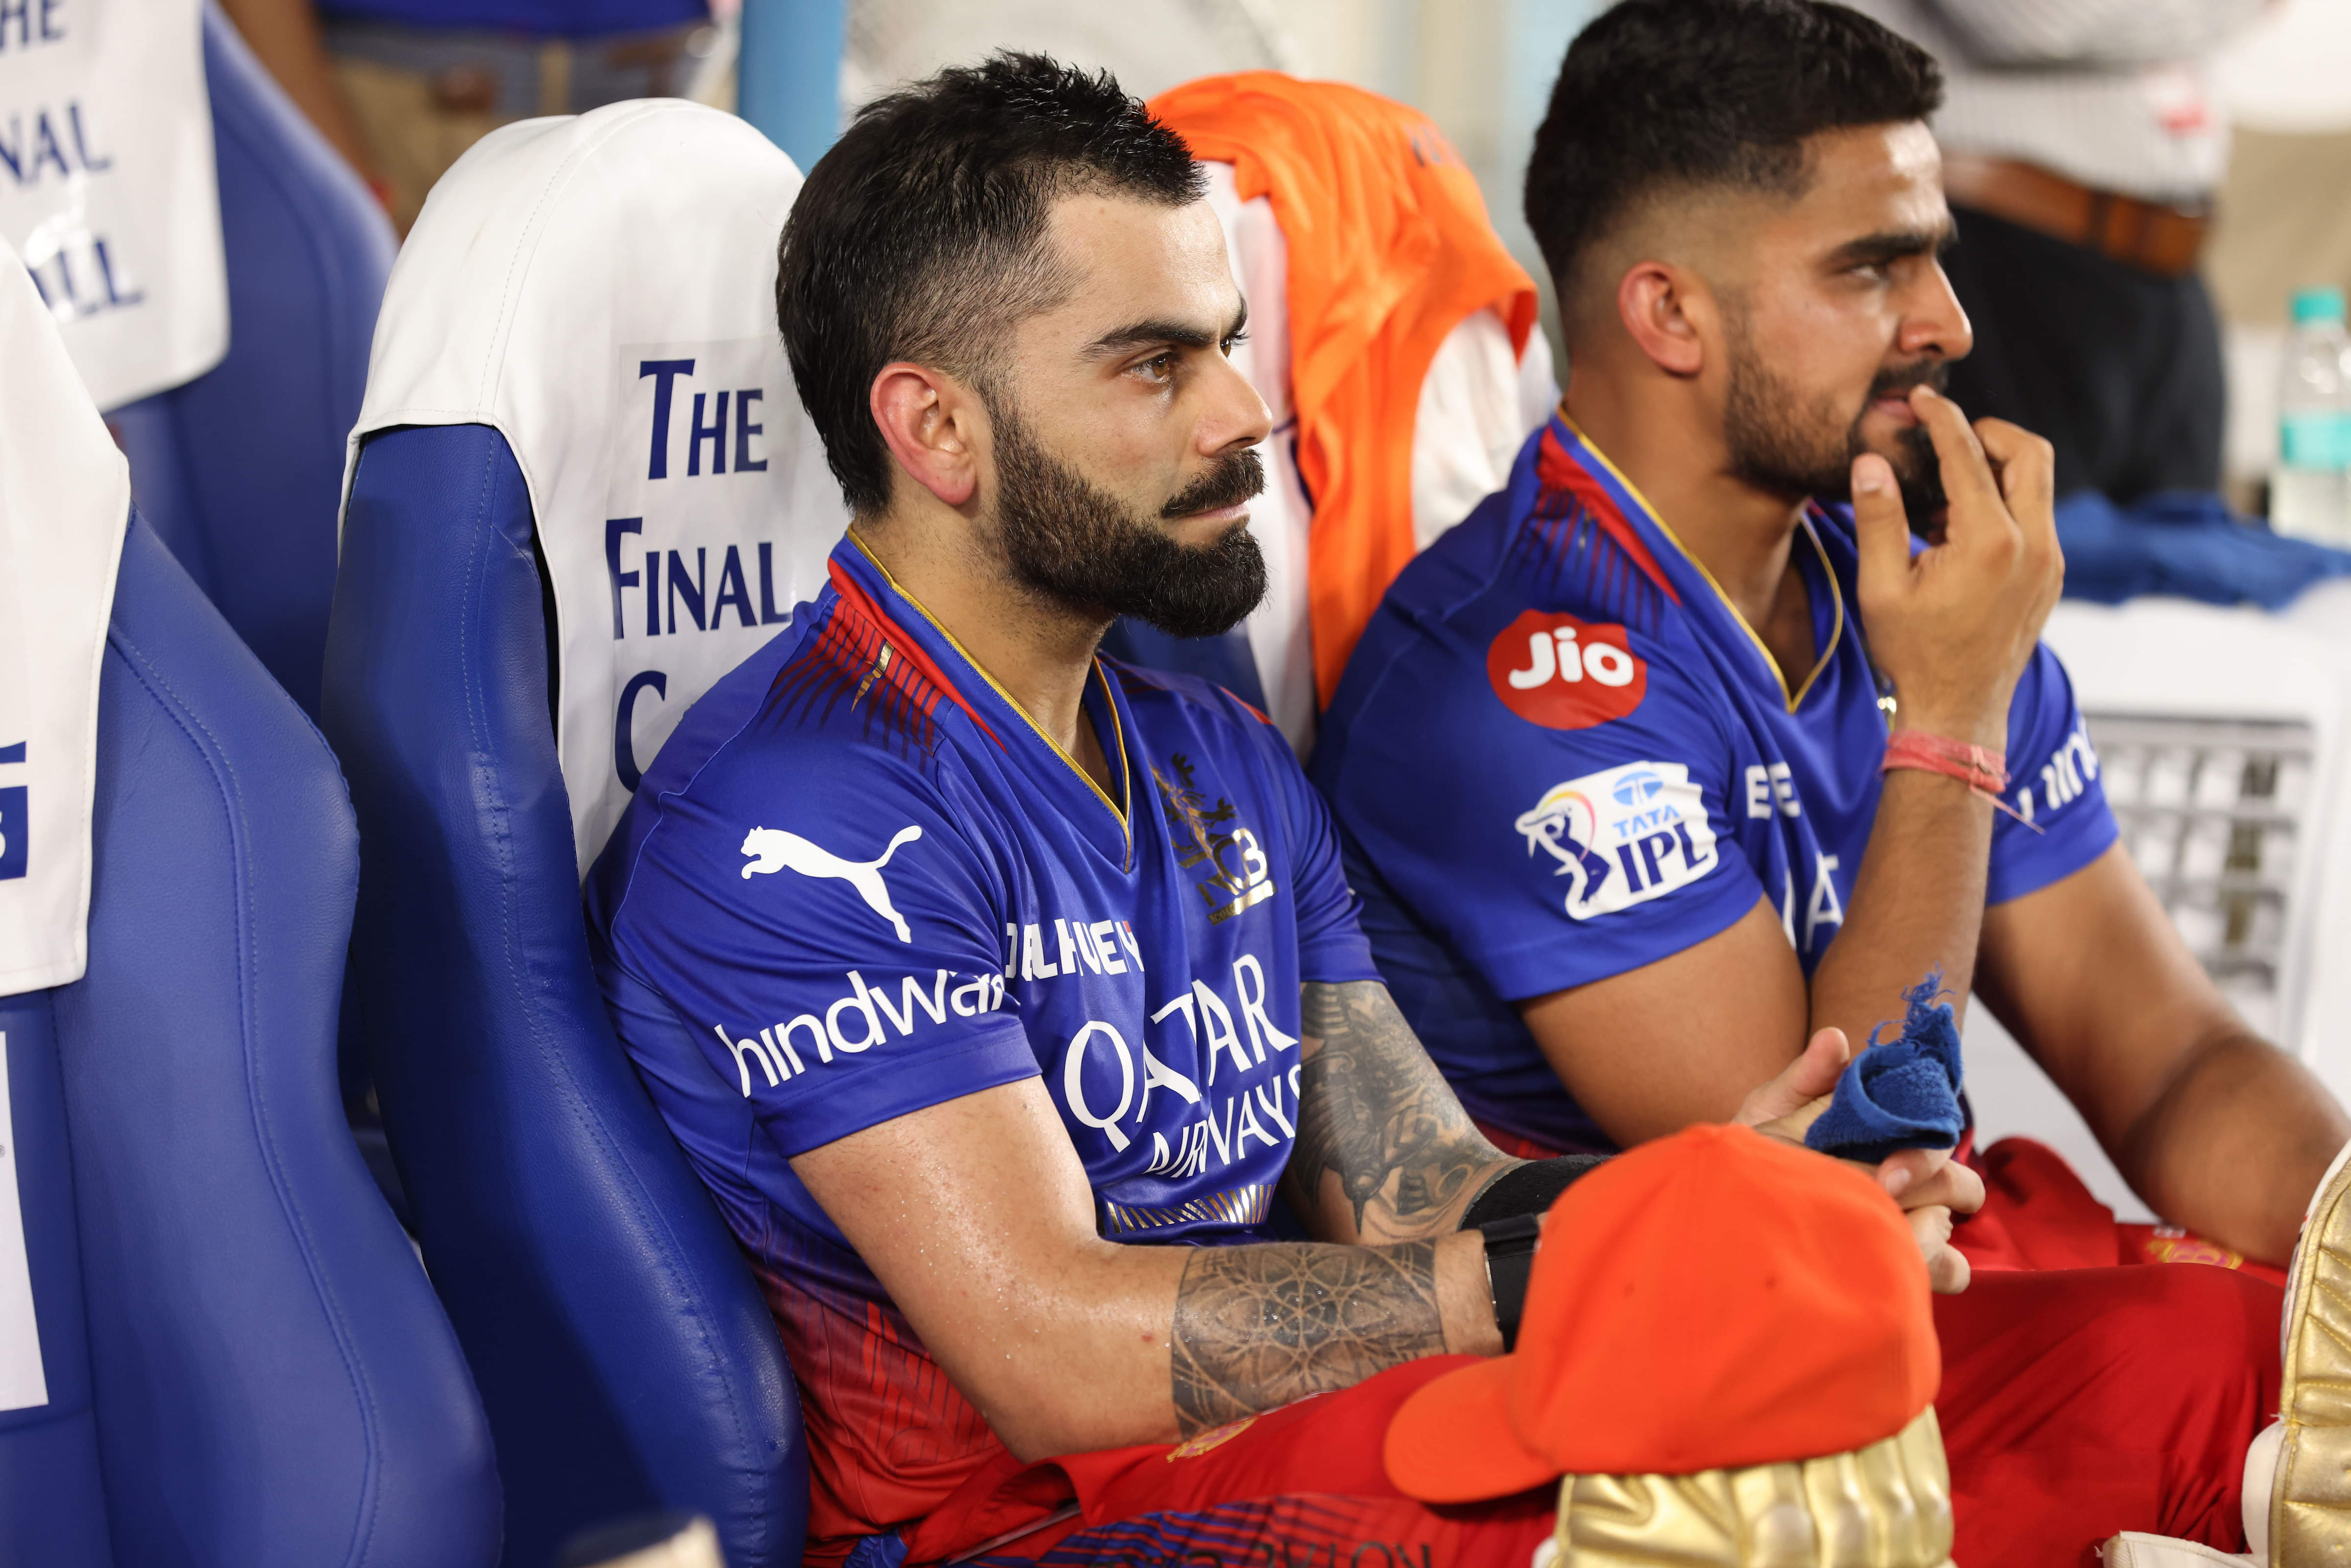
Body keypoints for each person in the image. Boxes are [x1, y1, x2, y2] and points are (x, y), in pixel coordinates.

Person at [587, 50, 2288, 1568]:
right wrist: (1556, 1283)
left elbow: (1417, 1188)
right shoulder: (798, 811)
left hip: (1322, 1416)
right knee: (1748, 1511)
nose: (1248, 415)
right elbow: (1050, 1348)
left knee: (2189, 1363)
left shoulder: (1205, 747)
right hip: (1037, 1514)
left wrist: (1705, 1204)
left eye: (1233, 347)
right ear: (936, 428)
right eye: (1153, 366)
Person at [1311, 0, 2350, 1557]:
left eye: (1931, 251)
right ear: (1669, 313)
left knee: (2289, 1317)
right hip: (1670, 1393)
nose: (1945, 319)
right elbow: (1835, 1166)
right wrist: (1946, 723)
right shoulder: (1515, 675)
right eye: (1870, 267)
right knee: (2240, 1383)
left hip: (1911, 1300)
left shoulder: (1912, 590)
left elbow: (2168, 1057)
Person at [1842, 0, 2265, 503]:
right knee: (2018, 550)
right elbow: (2047, 21)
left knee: (2198, 557)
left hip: (2170, 268)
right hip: (2005, 251)